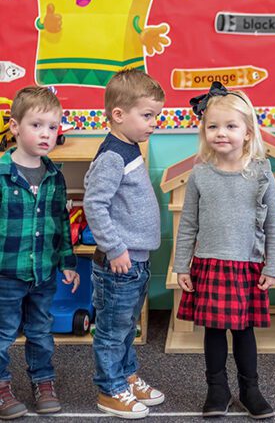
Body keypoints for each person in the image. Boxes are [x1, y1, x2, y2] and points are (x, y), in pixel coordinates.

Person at [173, 81, 275, 419]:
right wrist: (181, 266)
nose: (221, 133)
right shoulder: (200, 174)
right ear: (204, 131)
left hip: (247, 265)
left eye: (231, 126)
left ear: (248, 132)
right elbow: (188, 223)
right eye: (213, 126)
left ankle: (250, 389)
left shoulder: (262, 173)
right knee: (213, 331)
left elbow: (274, 224)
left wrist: (272, 266)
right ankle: (217, 389)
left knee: (244, 331)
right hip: (209, 264)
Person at [83, 69, 165, 419]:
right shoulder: (113, 156)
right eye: (147, 115)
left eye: (156, 116)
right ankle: (110, 389)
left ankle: (127, 376)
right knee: (112, 331)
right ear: (118, 115)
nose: (154, 123)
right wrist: (115, 248)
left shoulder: (129, 148)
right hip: (119, 263)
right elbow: (94, 204)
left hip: (136, 262)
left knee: (126, 328)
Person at [0, 86, 80, 419]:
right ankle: (1, 386)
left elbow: (62, 222)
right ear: (15, 126)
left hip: (44, 273)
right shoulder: (3, 175)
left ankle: (43, 380)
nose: (46, 134)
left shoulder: (55, 176)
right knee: (3, 333)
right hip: (6, 274)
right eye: (36, 125)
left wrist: (67, 262)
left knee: (40, 331)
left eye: (52, 126)